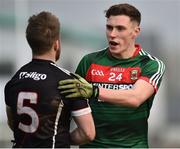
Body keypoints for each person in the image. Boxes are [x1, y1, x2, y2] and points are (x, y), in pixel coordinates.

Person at [58, 3, 165, 148]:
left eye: (120, 28)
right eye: (109, 27)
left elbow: (135, 98)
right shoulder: (89, 61)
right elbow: (71, 105)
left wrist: (95, 91)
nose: (112, 34)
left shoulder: (150, 64)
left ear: (135, 31)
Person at [4, 11, 95, 148]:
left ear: (31, 42)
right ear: (56, 44)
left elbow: (13, 123)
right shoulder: (68, 82)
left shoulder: (14, 81)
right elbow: (88, 133)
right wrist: (62, 138)